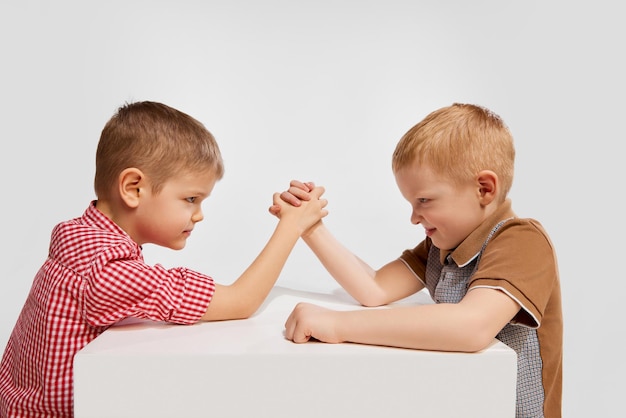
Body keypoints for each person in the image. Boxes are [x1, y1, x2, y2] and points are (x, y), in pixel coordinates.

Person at [0, 101, 328, 418]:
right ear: (133, 188)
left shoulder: (77, 236)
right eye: (190, 199)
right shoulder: (109, 272)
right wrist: (292, 225)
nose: (198, 215)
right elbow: (240, 301)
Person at [271, 103, 562, 418]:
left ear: (484, 189)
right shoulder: (442, 247)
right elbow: (375, 288)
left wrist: (338, 324)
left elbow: (472, 326)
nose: (413, 217)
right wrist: (311, 228)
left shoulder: (522, 241)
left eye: (424, 200)